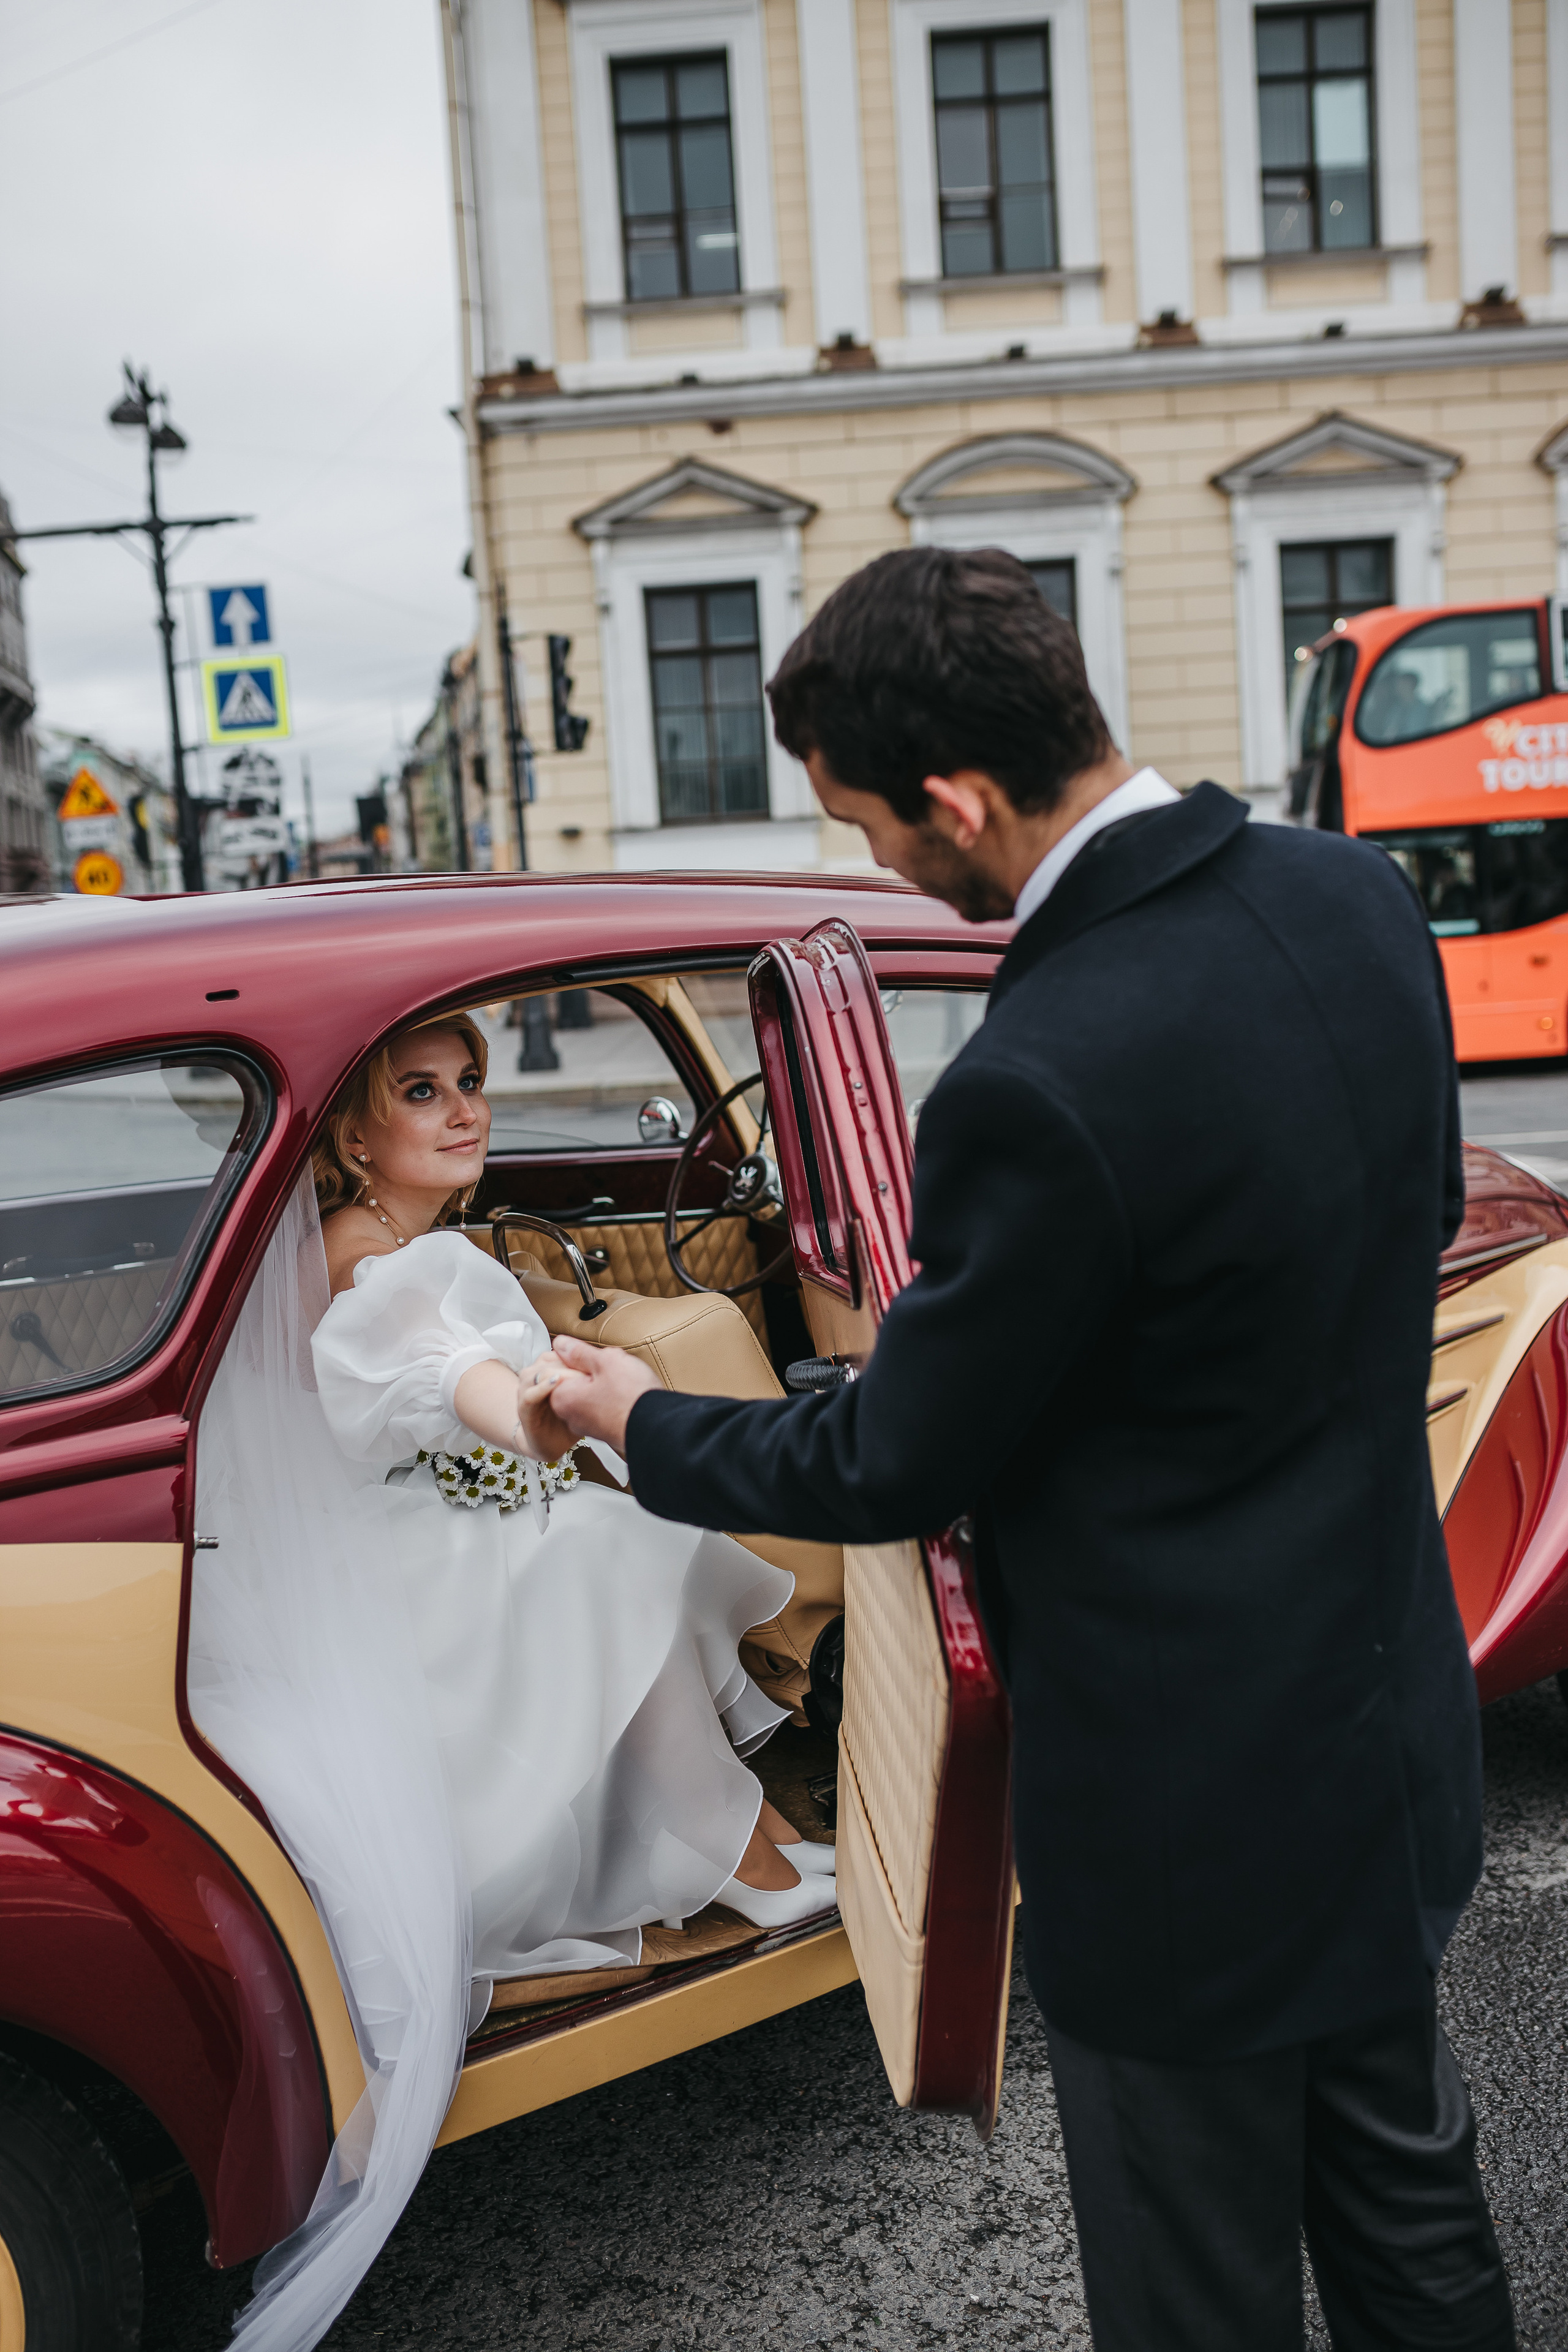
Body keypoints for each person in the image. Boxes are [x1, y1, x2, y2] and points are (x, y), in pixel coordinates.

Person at [521, 546, 1516, 2352]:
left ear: (960, 797)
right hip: (1383, 1730)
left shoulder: (1043, 1073)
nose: (874, 861)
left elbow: (895, 1469)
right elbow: (1375, 1240)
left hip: (1185, 1816)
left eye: (869, 825)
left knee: (1197, 2290)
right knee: (1407, 2209)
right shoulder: (1356, 900)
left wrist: (638, 1419)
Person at [189, 1011, 832, 2352]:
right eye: (420, 1093)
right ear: (351, 1138)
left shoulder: (359, 1246)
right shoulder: (384, 1264)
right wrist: (550, 1416)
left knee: (594, 1540)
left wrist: (533, 1431)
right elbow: (453, 1379)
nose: (464, 1110)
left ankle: (744, 1844)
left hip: (385, 1539)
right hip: (413, 1558)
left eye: (471, 1083)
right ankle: (747, 1857)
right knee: (612, 1541)